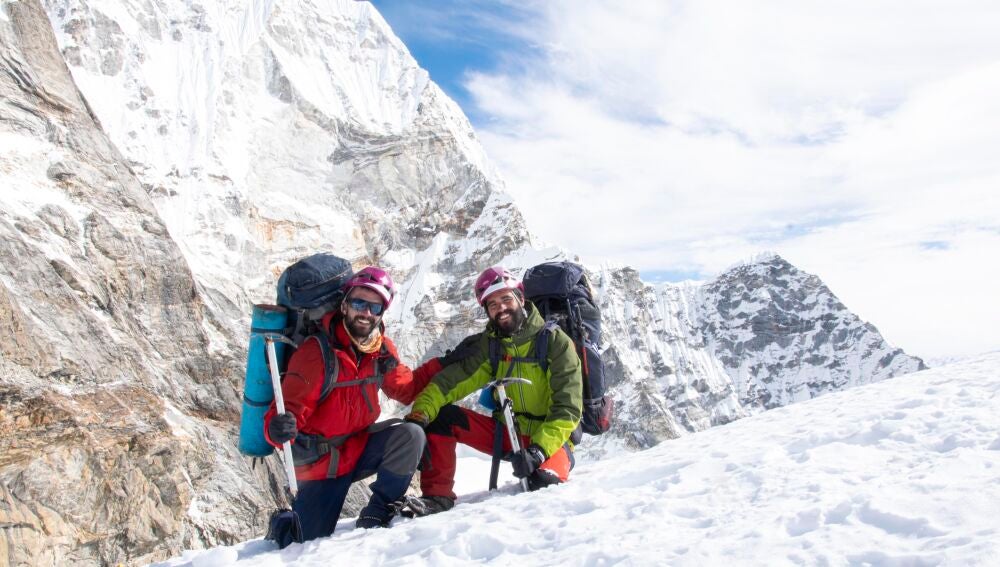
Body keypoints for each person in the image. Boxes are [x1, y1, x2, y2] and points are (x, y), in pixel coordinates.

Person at [263, 266, 443, 540]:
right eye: (360, 303)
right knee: (302, 541)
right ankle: (284, 522)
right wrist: (277, 429)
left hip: (357, 447)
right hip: (320, 463)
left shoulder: (381, 349)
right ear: (344, 304)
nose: (366, 313)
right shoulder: (316, 353)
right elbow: (282, 415)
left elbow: (405, 390)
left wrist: (443, 366)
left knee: (411, 435)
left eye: (375, 307)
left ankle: (379, 511)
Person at [403, 266, 583, 515]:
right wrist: (419, 416)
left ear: (521, 299)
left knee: (541, 485)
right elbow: (449, 384)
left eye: (506, 299)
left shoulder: (555, 342)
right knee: (442, 418)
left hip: (552, 441)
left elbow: (568, 409)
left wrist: (538, 451)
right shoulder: (493, 347)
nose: (501, 308)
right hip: (507, 434)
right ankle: (437, 497)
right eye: (492, 304)